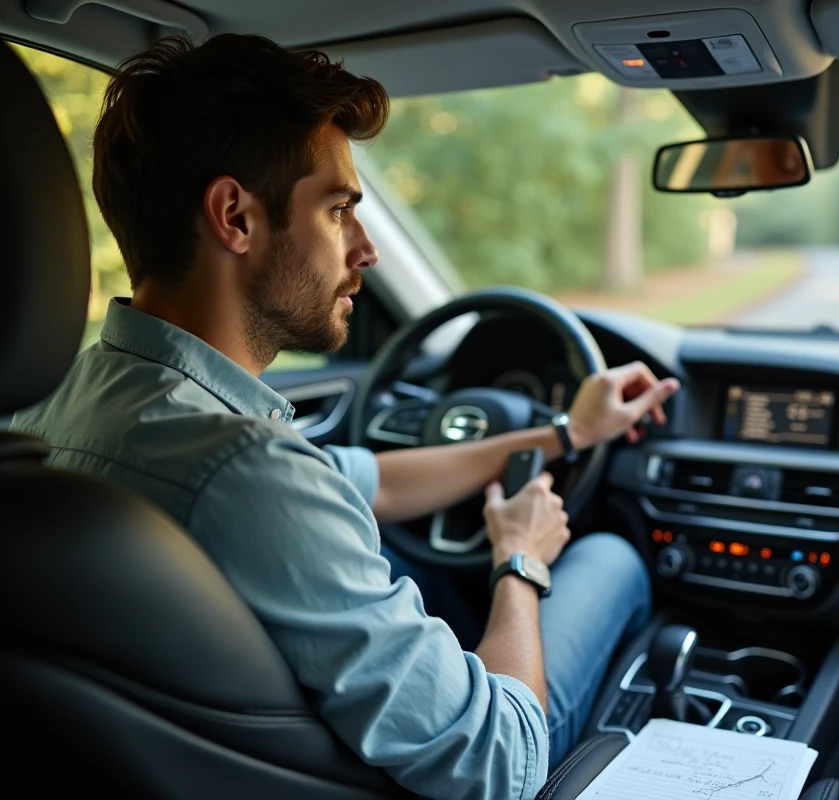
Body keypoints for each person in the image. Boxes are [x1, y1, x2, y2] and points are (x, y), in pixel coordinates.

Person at [11, 33, 679, 800]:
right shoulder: (244, 471)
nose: (367, 250)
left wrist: (563, 434)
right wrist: (519, 562)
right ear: (235, 216)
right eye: (338, 211)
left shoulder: (64, 406)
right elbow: (501, 762)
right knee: (612, 560)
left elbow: (369, 482)